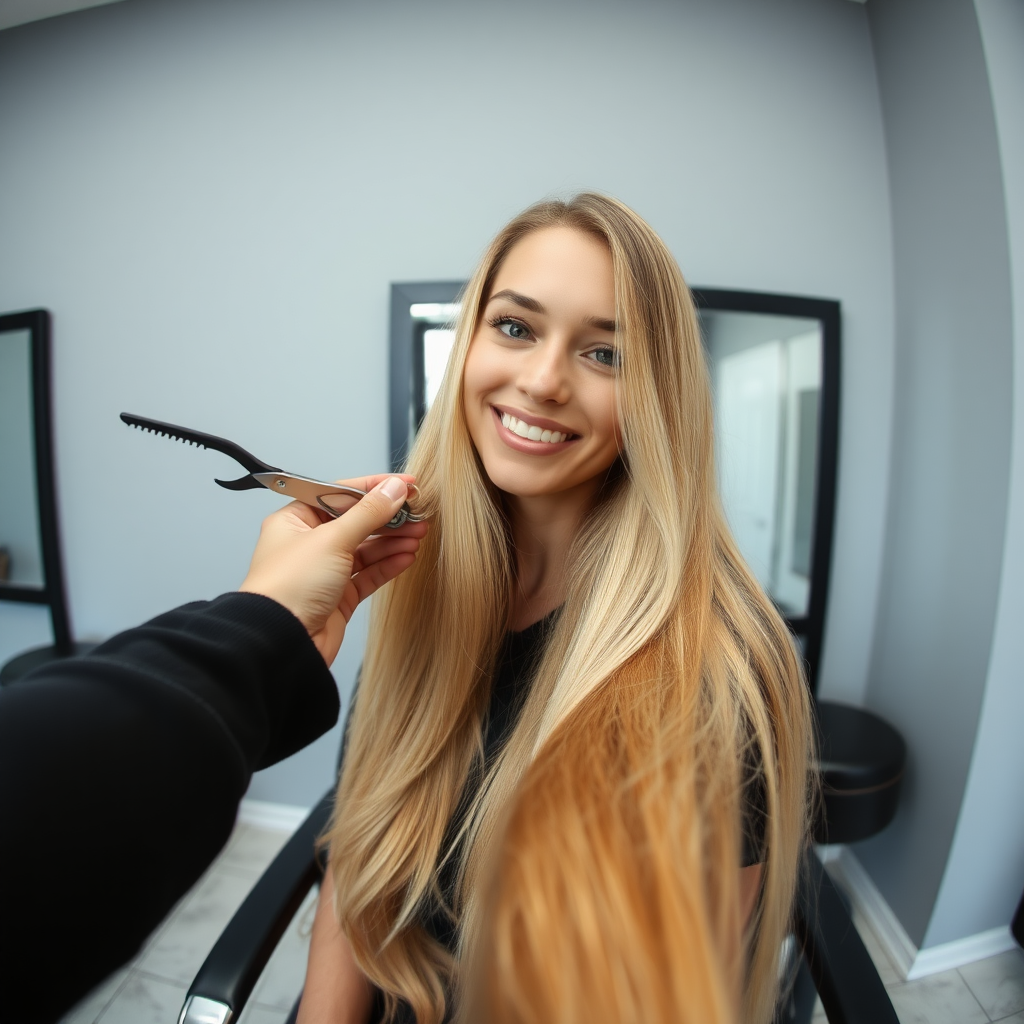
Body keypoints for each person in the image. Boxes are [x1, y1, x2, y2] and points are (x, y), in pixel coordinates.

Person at [298, 195, 814, 1024]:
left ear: (656, 394)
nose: (541, 381)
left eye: (605, 352)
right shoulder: (414, 583)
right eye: (514, 327)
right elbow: (360, 854)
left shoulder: (719, 669)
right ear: (468, 342)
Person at [0, 475, 426, 1024]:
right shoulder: (406, 660)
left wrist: (262, 635)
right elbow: (362, 848)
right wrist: (264, 632)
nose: (541, 383)